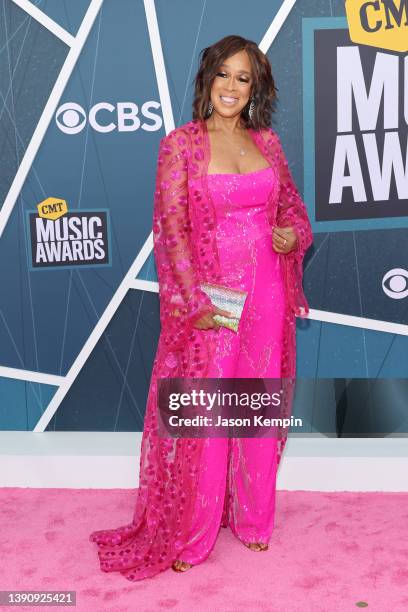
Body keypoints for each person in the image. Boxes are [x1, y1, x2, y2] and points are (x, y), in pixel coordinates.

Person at [89, 34, 313, 581]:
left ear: (255, 87)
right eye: (224, 75)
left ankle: (255, 521)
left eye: (244, 78)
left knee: (257, 405)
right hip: (213, 297)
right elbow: (170, 233)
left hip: (266, 293)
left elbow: (294, 213)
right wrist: (192, 304)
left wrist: (290, 236)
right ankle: (194, 534)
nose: (233, 87)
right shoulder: (182, 145)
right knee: (207, 416)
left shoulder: (269, 144)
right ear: (207, 79)